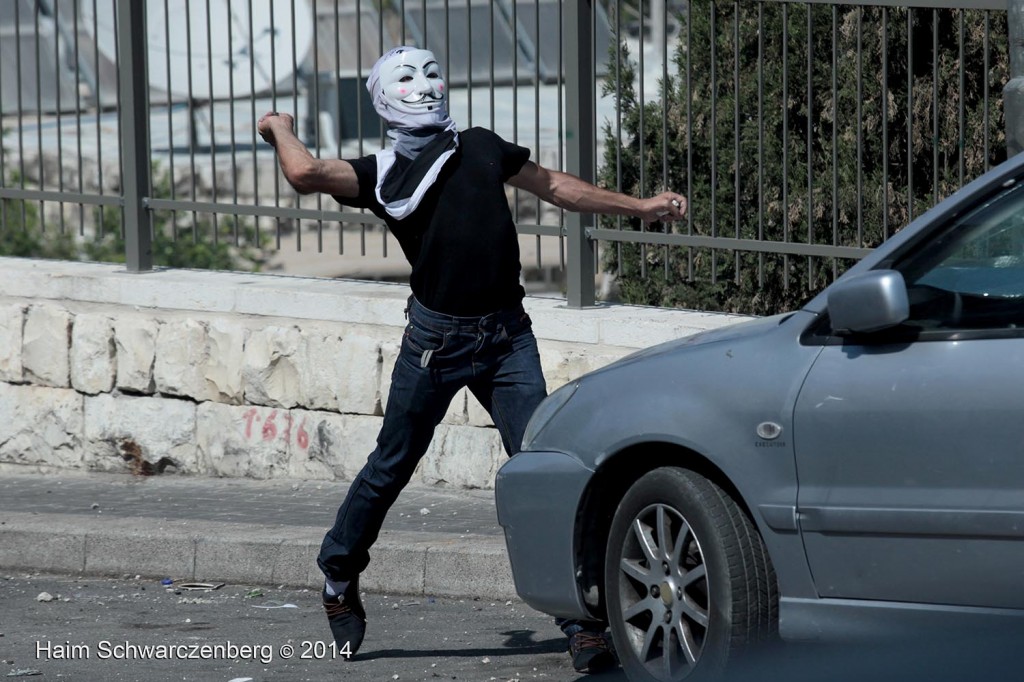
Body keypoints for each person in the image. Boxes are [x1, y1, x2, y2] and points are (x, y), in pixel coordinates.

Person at [257, 45, 687, 674]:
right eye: (407, 77)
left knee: (543, 472)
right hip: (435, 344)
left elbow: (558, 187)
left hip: (508, 339)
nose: (424, 84)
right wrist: (280, 127)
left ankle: (581, 621)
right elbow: (304, 174)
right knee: (391, 466)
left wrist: (640, 206)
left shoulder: (479, 146)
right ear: (382, 97)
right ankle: (338, 573)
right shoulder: (381, 174)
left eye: (431, 72)